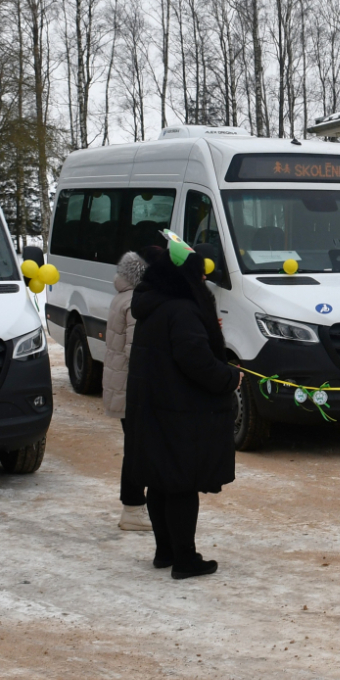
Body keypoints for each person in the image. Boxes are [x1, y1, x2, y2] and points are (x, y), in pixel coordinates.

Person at [126, 236, 244, 580]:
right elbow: (195, 360)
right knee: (180, 484)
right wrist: (229, 378)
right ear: (185, 276)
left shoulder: (156, 303)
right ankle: (185, 558)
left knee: (161, 482)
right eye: (199, 273)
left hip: (154, 407)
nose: (205, 279)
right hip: (179, 411)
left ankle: (165, 551)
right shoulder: (183, 309)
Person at [103, 250, 150, 531]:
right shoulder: (134, 302)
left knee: (135, 447)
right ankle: (132, 509)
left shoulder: (120, 297)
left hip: (119, 386)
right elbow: (137, 351)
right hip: (130, 389)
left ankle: (133, 507)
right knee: (137, 449)